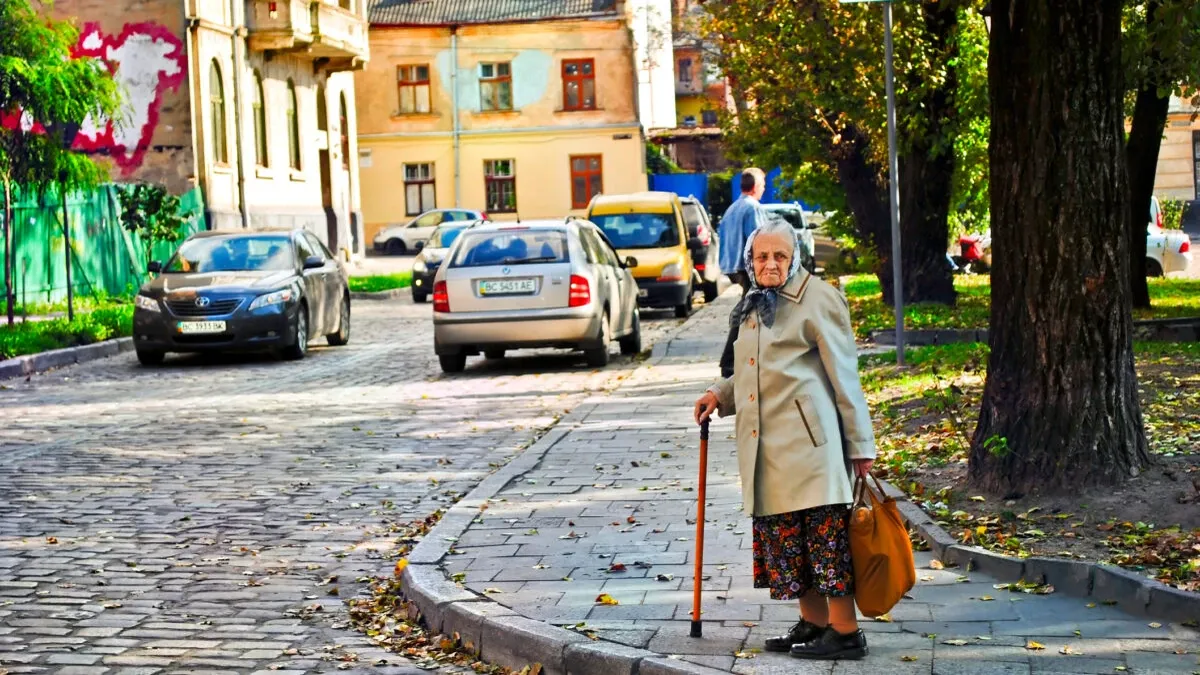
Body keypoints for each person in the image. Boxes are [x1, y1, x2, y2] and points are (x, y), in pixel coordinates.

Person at [693, 217, 877, 661]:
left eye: (779, 255)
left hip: (811, 447)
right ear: (749, 261)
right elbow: (752, 371)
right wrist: (719, 393)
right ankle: (814, 624)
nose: (770, 263)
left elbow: (845, 377)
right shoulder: (754, 304)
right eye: (761, 256)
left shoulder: (819, 299)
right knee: (788, 541)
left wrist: (861, 444)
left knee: (824, 540)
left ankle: (846, 632)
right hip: (767, 447)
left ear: (795, 257)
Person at [718, 167, 767, 291]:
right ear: (756, 186)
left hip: (730, 266)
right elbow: (759, 239)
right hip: (746, 267)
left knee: (750, 301)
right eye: (763, 186)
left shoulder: (731, 209)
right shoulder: (753, 207)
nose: (764, 189)